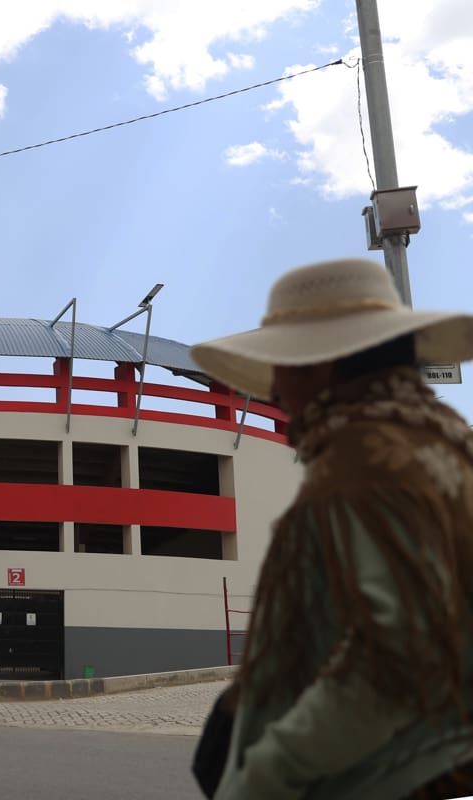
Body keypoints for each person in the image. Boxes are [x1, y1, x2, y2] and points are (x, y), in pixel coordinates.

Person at [189, 257, 473, 799]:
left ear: (320, 365)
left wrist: (265, 776)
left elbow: (395, 664)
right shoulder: (441, 443)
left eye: (283, 366)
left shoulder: (364, 463)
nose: (273, 390)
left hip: (379, 775)